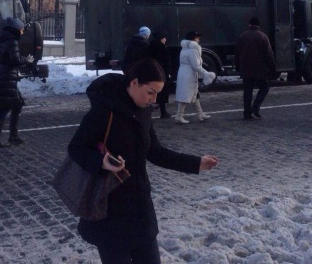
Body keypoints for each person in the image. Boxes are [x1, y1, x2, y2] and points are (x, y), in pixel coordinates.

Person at [68, 58, 219, 263]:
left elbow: (155, 151)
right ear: (134, 83)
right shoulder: (104, 111)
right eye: (150, 92)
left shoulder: (144, 111)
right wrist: (101, 162)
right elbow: (76, 148)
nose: (154, 99)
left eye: (157, 93)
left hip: (140, 210)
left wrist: (196, 163)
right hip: (109, 212)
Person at [0, 17, 34, 149]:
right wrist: (27, 60)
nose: (22, 32)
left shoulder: (3, 39)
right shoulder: (12, 41)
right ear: (16, 30)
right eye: (21, 30)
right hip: (6, 78)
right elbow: (15, 60)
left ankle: (12, 136)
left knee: (17, 104)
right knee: (4, 109)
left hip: (4, 76)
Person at [235, 17, 276, 120]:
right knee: (264, 87)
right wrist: (272, 68)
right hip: (260, 69)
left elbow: (237, 54)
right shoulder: (263, 37)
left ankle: (247, 113)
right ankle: (255, 106)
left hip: (246, 68)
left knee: (247, 91)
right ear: (258, 25)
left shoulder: (242, 36)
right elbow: (269, 55)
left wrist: (238, 66)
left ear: (249, 24)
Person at [174, 31, 216, 124]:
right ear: (193, 39)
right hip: (189, 75)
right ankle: (179, 116)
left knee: (195, 95)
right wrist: (207, 74)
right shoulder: (193, 50)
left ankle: (200, 114)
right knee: (185, 96)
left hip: (184, 74)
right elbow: (196, 66)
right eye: (197, 37)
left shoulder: (184, 49)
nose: (199, 39)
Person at [147, 30, 172, 118]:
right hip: (161, 72)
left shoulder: (151, 46)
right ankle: (163, 111)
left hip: (154, 71)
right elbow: (165, 61)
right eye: (164, 38)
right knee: (161, 92)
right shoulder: (161, 47)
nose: (165, 39)